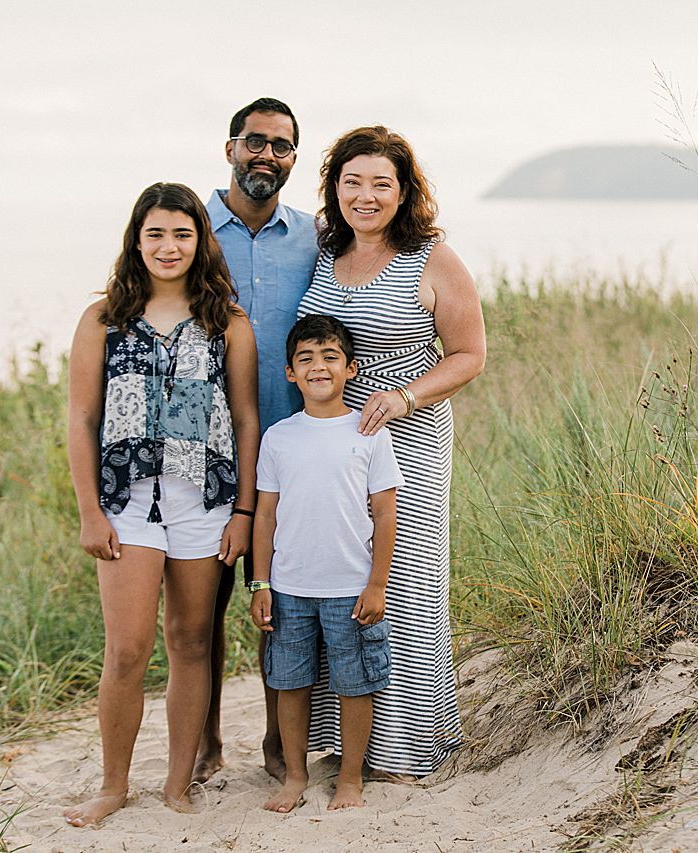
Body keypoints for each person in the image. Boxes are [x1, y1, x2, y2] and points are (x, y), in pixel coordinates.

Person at [63, 182, 259, 827]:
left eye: (182, 233)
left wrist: (244, 512)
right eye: (156, 234)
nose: (169, 246)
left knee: (191, 642)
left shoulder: (226, 322)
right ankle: (114, 785)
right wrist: (90, 511)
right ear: (136, 241)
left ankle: (179, 784)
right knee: (126, 651)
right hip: (126, 503)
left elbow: (246, 418)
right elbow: (81, 416)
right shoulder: (103, 320)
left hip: (204, 500)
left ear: (200, 240)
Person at [297, 126, 486, 777]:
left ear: (404, 191)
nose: (366, 195)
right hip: (331, 441)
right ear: (335, 187)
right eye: (354, 181)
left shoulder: (430, 256)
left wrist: (405, 396)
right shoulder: (321, 253)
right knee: (342, 575)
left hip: (409, 436)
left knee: (402, 580)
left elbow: (469, 355)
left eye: (382, 183)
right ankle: (343, 737)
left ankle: (403, 746)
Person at [195, 97, 319, 785]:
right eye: (254, 142)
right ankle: (208, 742)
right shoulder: (192, 231)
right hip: (206, 457)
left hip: (291, 454)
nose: (266, 155)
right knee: (201, 609)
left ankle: (280, 743)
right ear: (230, 148)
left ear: (294, 158)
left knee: (283, 604)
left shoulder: (314, 236)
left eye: (281, 146)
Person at [248, 314, 403, 811]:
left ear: (352, 368)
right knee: (290, 681)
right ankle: (295, 776)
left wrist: (376, 584)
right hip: (289, 588)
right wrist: (260, 583)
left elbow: (384, 513)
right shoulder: (279, 437)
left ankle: (351, 779)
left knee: (355, 682)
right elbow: (266, 515)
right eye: (306, 358)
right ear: (290, 373)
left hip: (350, 587)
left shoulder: (369, 434)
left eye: (330, 356)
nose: (319, 366)